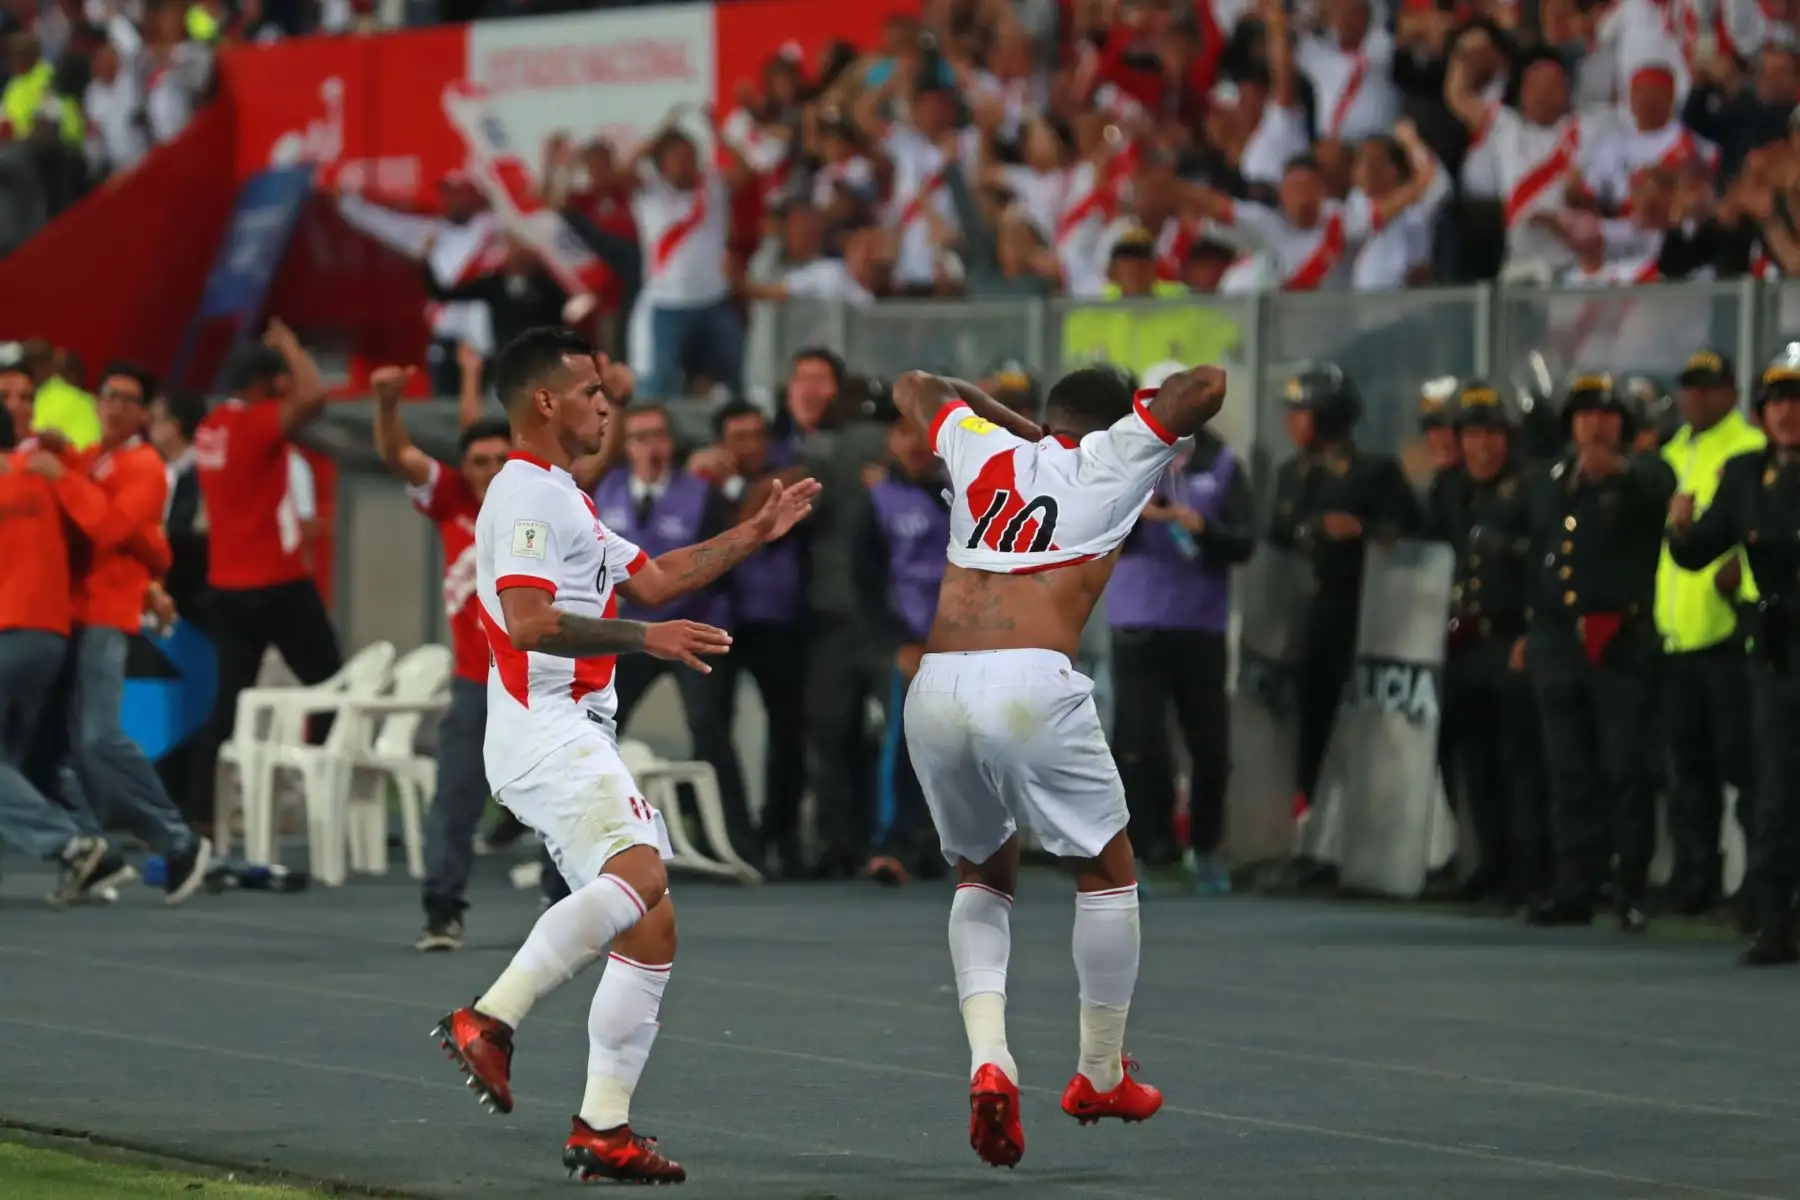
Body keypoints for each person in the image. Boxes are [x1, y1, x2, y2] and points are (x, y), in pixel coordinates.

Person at [433, 327, 816, 1184]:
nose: (607, 403)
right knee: (642, 876)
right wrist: (649, 640)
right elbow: (531, 621)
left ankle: (603, 1125)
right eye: (592, 390)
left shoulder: (563, 496)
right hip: (548, 724)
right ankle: (491, 1018)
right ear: (544, 402)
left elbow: (651, 577)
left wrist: (752, 532)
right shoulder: (528, 496)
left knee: (652, 920)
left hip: (564, 727)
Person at [892, 362, 1229, 1168]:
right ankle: (1100, 1074)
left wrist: (985, 407)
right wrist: (1133, 428)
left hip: (935, 687)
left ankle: (989, 1060)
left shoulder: (981, 449)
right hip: (1030, 681)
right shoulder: (1115, 457)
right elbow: (1207, 385)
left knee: (983, 871)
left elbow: (912, 387)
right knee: (1107, 871)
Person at [35, 362, 213, 902]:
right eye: (107, 395)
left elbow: (111, 528)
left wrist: (60, 472)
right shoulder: (93, 460)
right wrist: (63, 458)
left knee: (97, 738)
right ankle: (93, 853)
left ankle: (179, 841)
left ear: (143, 413)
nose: (112, 406)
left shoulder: (143, 466)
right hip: (69, 614)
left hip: (104, 616)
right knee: (53, 747)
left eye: (126, 399)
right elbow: (146, 544)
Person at [367, 361, 513, 951]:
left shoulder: (540, 503)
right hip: (476, 681)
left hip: (537, 680)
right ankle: (442, 910)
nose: (488, 471)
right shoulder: (451, 496)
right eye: (478, 462)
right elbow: (398, 453)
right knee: (455, 794)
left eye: (500, 461)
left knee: (561, 799)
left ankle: (566, 906)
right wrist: (386, 404)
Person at [1521, 373, 1675, 932]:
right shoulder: (1548, 481)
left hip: (1619, 642)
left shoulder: (1645, 473)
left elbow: (1659, 487)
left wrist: (1624, 470)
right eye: (1584, 414)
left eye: (1607, 415)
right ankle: (1575, 884)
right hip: (1558, 641)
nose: (1594, 425)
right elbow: (1538, 556)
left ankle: (1630, 886)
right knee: (1567, 769)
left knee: (1626, 767)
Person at [1668, 345, 1800, 966]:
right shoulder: (1746, 474)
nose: (1787, 412)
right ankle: (1777, 917)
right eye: (1776, 401)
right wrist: (1681, 529)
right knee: (1776, 787)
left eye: (1796, 400)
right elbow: (1698, 554)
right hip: (1776, 649)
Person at [189, 322, 344, 828]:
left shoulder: (210, 427)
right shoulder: (255, 425)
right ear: (263, 384)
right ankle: (321, 794)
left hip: (227, 587)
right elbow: (315, 398)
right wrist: (292, 346)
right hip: (276, 584)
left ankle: (202, 818)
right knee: (333, 687)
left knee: (227, 705)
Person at [1106, 389, 1255, 887]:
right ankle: (1146, 851)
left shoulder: (1224, 461)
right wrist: (1135, 514)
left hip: (1200, 623)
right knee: (1138, 742)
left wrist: (1204, 529)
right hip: (1138, 619)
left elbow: (1244, 541)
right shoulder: (1123, 458)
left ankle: (1207, 847)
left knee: (1209, 742)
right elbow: (1091, 533)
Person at [1425, 381, 1550, 909]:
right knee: (1472, 762)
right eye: (1473, 433)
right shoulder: (1446, 488)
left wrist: (1530, 633)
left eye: (1493, 434)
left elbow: (1548, 565)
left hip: (1508, 639)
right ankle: (1490, 864)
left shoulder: (1532, 487)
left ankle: (1531, 873)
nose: (1483, 446)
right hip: (1458, 645)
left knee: (1520, 763)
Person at [1654, 349, 1763, 916]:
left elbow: (1757, 532)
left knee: (1745, 768)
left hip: (1728, 634)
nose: (1696, 397)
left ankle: (1755, 883)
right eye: (1691, 386)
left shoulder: (1748, 450)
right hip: (1677, 635)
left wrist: (1738, 570)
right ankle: (1694, 877)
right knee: (1688, 769)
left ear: (1732, 393)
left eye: (1708, 387)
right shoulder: (1670, 453)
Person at [851, 396, 951, 884]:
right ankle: (891, 844)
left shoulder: (967, 494)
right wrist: (898, 644)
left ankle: (951, 846)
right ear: (892, 440)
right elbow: (865, 581)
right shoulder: (876, 501)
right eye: (905, 433)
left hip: (972, 641)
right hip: (911, 644)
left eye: (924, 433)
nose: (915, 444)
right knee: (903, 743)